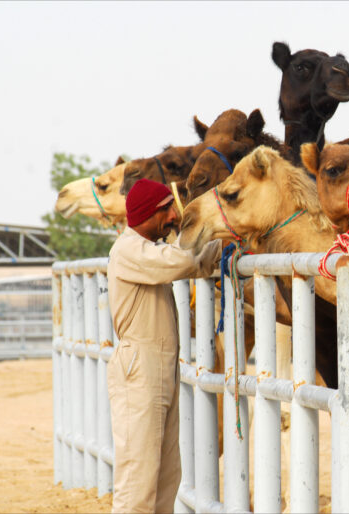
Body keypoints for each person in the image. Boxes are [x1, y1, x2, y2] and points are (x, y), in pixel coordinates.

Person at [106, 178, 221, 513]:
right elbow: (183, 261)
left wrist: (223, 246)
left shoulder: (147, 253)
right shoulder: (129, 250)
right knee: (138, 480)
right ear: (150, 213)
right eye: (168, 209)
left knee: (167, 477)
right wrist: (215, 236)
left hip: (159, 369)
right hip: (140, 369)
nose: (174, 215)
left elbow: (196, 263)